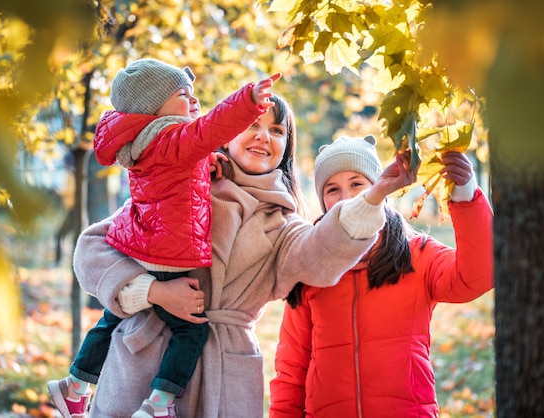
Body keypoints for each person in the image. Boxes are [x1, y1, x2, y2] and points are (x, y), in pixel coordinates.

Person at [70, 95, 420, 417]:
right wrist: (153, 292)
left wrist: (373, 198)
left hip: (226, 376)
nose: (263, 137)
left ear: (286, 147)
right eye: (252, 124)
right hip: (143, 366)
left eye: (277, 130)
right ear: (225, 131)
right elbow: (92, 248)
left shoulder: (284, 225)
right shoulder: (181, 185)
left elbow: (321, 255)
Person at [47, 58, 281, 418]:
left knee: (110, 316)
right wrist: (248, 100)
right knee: (191, 331)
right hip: (169, 255)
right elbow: (208, 130)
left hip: (142, 246)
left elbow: (180, 170)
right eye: (182, 94)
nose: (193, 101)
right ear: (155, 107)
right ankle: (158, 403)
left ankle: (75, 384)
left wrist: (206, 165)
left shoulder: (144, 143)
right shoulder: (173, 136)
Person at [269, 136, 494, 418]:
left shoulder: (415, 255)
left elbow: (478, 275)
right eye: (332, 189)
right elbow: (291, 369)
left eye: (356, 184)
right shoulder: (310, 267)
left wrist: (466, 195)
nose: (346, 198)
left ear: (381, 189)